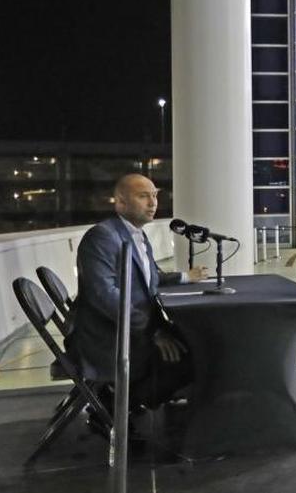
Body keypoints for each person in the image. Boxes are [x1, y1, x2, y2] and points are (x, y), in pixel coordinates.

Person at [69, 174, 207, 412]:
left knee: (194, 339)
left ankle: (137, 398)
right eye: (143, 196)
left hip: (129, 330)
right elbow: (105, 295)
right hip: (109, 339)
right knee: (196, 354)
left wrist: (186, 277)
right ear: (120, 203)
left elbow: (149, 276)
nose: (153, 203)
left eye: (154, 196)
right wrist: (153, 331)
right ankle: (116, 406)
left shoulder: (137, 235)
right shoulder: (103, 237)